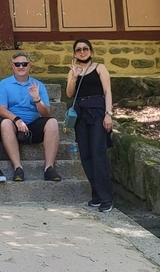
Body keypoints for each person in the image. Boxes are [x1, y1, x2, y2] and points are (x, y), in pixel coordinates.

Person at [0, 52, 62, 182]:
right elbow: (0, 110)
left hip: (34, 124)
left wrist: (37, 99)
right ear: (12, 66)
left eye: (24, 64)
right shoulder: (4, 84)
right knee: (5, 123)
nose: (21, 67)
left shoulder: (38, 85)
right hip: (14, 124)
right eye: (17, 64)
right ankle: (17, 168)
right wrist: (17, 119)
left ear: (29, 66)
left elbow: (46, 114)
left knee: (53, 122)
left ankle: (49, 168)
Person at [66, 38, 114, 212]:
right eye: (78, 49)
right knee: (85, 154)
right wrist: (75, 76)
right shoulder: (73, 71)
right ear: (75, 53)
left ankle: (106, 197)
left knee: (98, 153)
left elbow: (107, 91)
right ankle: (96, 195)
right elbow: (69, 94)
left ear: (91, 51)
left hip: (98, 113)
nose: (82, 52)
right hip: (81, 115)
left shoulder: (100, 68)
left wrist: (108, 114)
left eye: (85, 48)